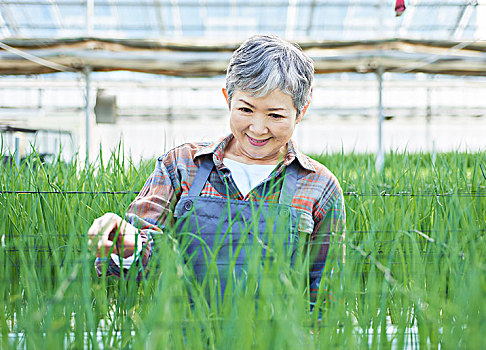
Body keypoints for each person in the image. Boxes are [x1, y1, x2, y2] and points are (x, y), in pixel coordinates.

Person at [87, 34, 346, 305]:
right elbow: (139, 262)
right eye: (246, 109)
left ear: (300, 111)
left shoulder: (318, 185)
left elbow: (327, 289)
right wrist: (127, 243)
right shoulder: (181, 165)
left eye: (275, 115)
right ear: (227, 99)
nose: (258, 128)